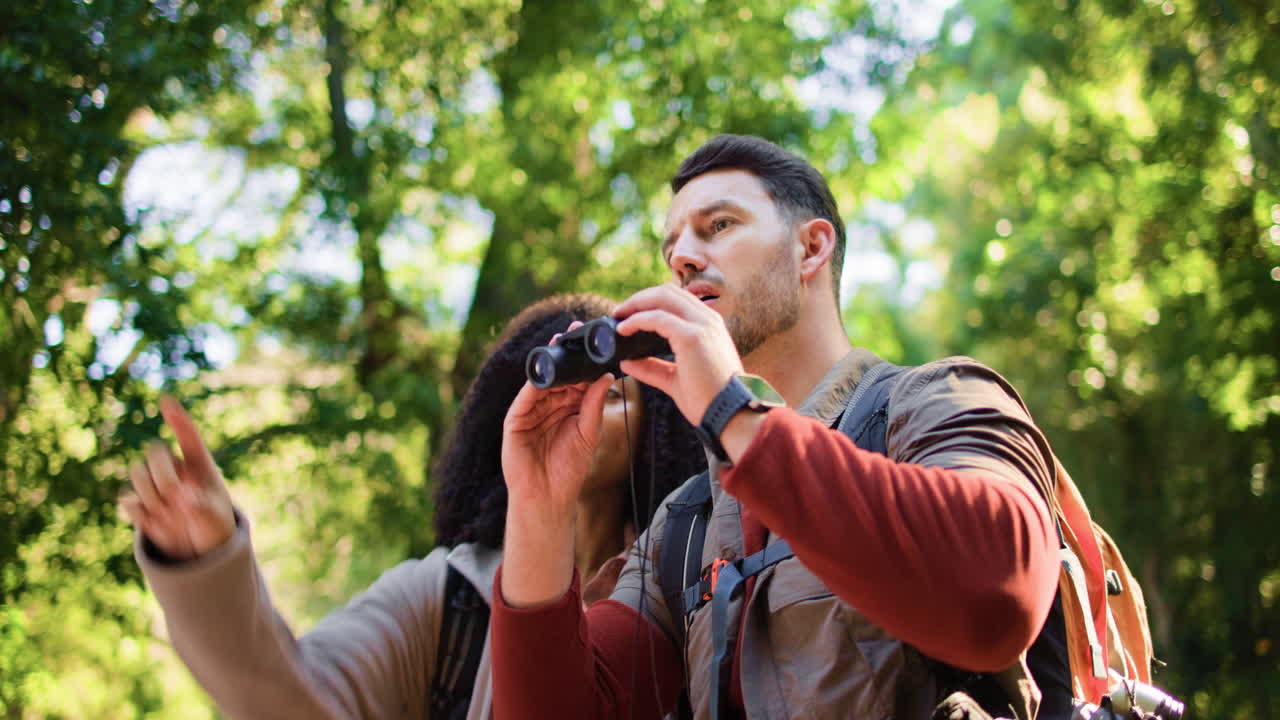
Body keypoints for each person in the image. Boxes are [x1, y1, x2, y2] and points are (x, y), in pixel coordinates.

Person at [489, 135, 1066, 720]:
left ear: (811, 248)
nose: (683, 260)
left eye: (717, 226)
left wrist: (728, 413)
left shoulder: (938, 398)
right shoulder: (685, 526)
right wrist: (539, 500)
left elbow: (997, 599)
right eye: (672, 250)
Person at [118, 293, 707, 720]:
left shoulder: (691, 587)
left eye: (607, 392)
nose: (574, 409)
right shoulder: (442, 600)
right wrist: (212, 566)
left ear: (651, 428)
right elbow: (290, 696)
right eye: (556, 388)